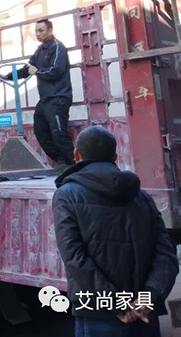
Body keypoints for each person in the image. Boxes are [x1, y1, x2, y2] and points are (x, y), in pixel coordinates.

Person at [53, 126, 178, 336]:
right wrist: (147, 298)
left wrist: (117, 304)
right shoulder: (142, 197)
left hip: (98, 313)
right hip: (144, 312)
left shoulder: (66, 195)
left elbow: (75, 258)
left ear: (76, 155)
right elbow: (166, 254)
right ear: (115, 157)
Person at [0, 18, 74, 170]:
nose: (38, 34)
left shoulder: (58, 47)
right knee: (40, 131)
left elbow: (56, 70)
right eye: (36, 31)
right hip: (45, 99)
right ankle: (60, 160)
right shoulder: (40, 50)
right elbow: (27, 69)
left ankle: (71, 164)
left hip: (58, 97)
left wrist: (38, 72)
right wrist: (7, 76)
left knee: (59, 132)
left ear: (50, 31)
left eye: (41, 30)